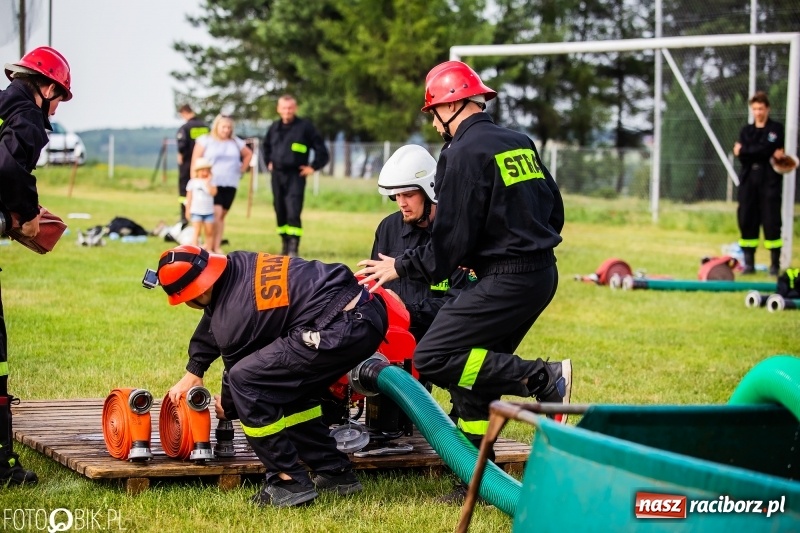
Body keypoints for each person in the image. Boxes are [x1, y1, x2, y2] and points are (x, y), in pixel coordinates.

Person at [356, 60, 571, 502]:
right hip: (540, 273)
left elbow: (448, 243)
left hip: (507, 279)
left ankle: (542, 378)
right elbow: (554, 209)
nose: (435, 125)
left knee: (435, 355)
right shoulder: (517, 142)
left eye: (434, 114)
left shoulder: (461, 153)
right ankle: (474, 476)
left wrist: (400, 267)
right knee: (473, 370)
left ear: (452, 105)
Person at [155, 245, 387, 507]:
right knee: (286, 386)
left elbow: (239, 375)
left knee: (248, 382)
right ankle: (335, 472)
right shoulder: (237, 265)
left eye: (185, 298)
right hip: (361, 312)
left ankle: (288, 481)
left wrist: (228, 408)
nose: (187, 304)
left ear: (200, 290)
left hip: (341, 329)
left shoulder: (236, 318)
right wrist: (195, 369)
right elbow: (214, 315)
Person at [0, 46, 73, 485]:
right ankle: (2, 466)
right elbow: (8, 168)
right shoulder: (26, 115)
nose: (57, 104)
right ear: (46, 87)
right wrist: (25, 213)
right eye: (59, 95)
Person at [371, 144, 472, 342]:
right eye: (396, 196)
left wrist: (409, 312)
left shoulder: (456, 232)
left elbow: (461, 303)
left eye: (408, 195)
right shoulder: (388, 228)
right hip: (391, 338)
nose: (402, 203)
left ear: (430, 191)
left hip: (439, 339)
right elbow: (375, 288)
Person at [261, 95, 329, 257]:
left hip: (295, 176)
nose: (287, 111)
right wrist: (268, 161)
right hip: (277, 175)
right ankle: (284, 243)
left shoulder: (305, 127)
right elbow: (266, 146)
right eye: (284, 108)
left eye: (290, 108)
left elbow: (322, 151)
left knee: (293, 210)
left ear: (295, 108)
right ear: (278, 109)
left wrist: (312, 167)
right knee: (280, 209)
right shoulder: (274, 127)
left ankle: (293, 246)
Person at [733, 91, 786, 276]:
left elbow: (765, 149)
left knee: (771, 221)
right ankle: (749, 264)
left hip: (769, 181)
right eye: (754, 109)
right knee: (747, 219)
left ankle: (774, 265)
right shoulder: (746, 130)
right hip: (748, 181)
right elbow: (746, 154)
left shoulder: (776, 129)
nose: (757, 112)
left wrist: (746, 150)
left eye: (761, 108)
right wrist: (756, 151)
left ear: (767, 109)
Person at [192, 114, 252, 254]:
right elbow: (196, 159)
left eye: (229, 127)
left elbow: (248, 154)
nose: (226, 130)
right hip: (213, 183)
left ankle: (216, 245)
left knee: (222, 216)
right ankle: (209, 245)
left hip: (230, 182)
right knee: (215, 214)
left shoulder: (235, 142)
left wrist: (242, 169)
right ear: (217, 126)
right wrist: (195, 179)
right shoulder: (206, 140)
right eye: (224, 127)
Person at [176, 104, 209, 226]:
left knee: (185, 191)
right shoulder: (205, 127)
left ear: (184, 112)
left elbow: (182, 146)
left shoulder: (185, 127)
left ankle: (185, 217)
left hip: (188, 163)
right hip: (205, 165)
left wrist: (180, 156)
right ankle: (203, 217)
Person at [185, 157, 217, 249]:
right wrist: (188, 210)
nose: (204, 173)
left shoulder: (212, 182)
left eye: (207, 171)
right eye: (202, 170)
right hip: (196, 211)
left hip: (208, 212)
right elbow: (189, 198)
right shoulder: (192, 182)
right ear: (198, 171)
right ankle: (195, 248)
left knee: (209, 231)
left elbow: (213, 193)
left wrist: (208, 183)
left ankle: (209, 249)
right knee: (196, 231)